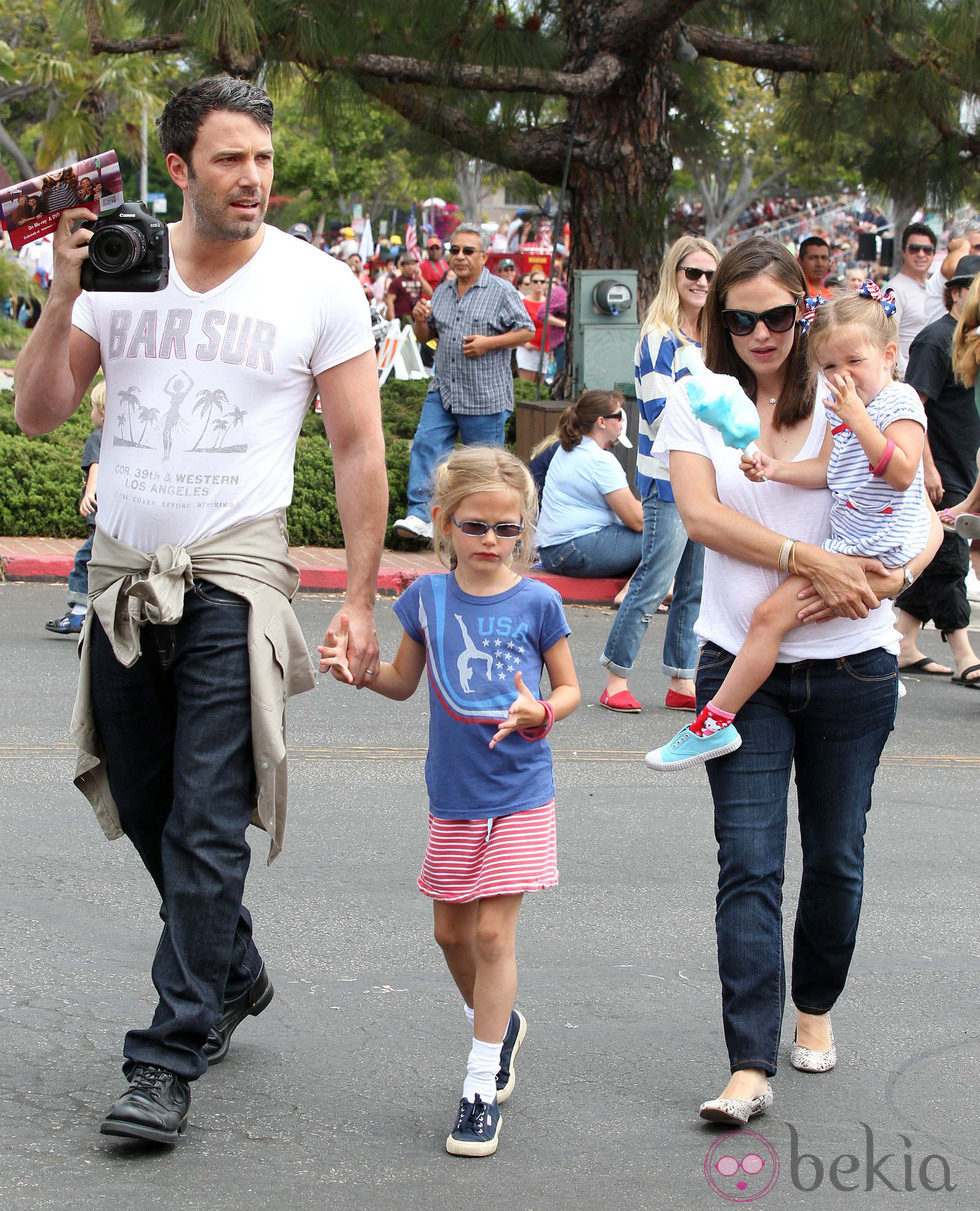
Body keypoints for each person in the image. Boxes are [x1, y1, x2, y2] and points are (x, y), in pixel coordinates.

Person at [13, 75, 388, 1145]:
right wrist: (66, 293)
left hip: (233, 576)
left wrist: (359, 596)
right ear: (177, 169)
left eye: (262, 158)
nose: (253, 178)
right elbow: (40, 415)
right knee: (142, 799)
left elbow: (359, 447)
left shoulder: (317, 284)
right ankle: (232, 966)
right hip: (125, 574)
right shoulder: (121, 274)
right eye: (229, 160)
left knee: (208, 810)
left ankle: (167, 1054)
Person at [651, 237, 940, 1127]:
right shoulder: (699, 404)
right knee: (747, 864)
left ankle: (813, 1002)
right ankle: (746, 1062)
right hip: (740, 661)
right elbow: (700, 515)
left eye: (780, 314)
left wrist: (886, 580)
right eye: (742, 318)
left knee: (838, 858)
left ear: (804, 312)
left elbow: (923, 509)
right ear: (718, 321)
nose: (763, 332)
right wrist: (804, 553)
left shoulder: (855, 394)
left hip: (852, 663)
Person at [319, 446, 580, 1157]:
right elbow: (404, 680)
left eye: (508, 528)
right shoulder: (426, 600)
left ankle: (478, 1081)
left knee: (494, 936)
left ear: (525, 527)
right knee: (451, 936)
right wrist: (359, 674)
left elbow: (569, 688)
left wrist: (542, 714)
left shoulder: (539, 601)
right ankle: (499, 1021)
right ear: (442, 523)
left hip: (521, 791)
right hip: (455, 795)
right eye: (476, 526)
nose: (492, 541)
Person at [648, 285, 930, 768]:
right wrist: (775, 469)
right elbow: (827, 471)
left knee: (767, 618)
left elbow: (904, 473)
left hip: (871, 547)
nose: (842, 377)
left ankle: (713, 722)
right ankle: (719, 717)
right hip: (848, 543)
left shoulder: (895, 402)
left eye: (854, 362)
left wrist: (857, 420)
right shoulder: (840, 409)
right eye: (831, 367)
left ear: (888, 355)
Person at [599, 235, 719, 714]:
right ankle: (615, 676)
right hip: (667, 476)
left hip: (710, 480)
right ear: (674, 275)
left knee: (695, 588)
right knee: (654, 581)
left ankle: (683, 680)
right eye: (693, 273)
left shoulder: (715, 339)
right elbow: (656, 409)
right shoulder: (658, 338)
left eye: (710, 275)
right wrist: (717, 412)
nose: (702, 282)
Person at [391, 225, 533, 543]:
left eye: (468, 251)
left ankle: (485, 527)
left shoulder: (501, 291)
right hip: (444, 390)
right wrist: (420, 319)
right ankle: (421, 516)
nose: (459, 257)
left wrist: (488, 343)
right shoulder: (442, 290)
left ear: (484, 256)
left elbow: (526, 331)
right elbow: (426, 337)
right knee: (427, 446)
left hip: (484, 396)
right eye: (454, 250)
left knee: (484, 468)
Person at [892, 254, 980, 685]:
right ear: (959, 292)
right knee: (950, 559)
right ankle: (965, 653)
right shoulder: (935, 340)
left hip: (965, 466)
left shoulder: (970, 342)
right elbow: (914, 409)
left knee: (935, 559)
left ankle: (902, 639)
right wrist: (925, 468)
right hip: (939, 467)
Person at [535, 390, 642, 578]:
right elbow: (636, 521)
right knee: (667, 532)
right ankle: (640, 589)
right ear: (601, 422)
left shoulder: (567, 449)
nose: (622, 421)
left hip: (551, 552)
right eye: (618, 416)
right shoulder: (600, 460)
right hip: (574, 549)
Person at [45, 382, 105, 636]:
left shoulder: (99, 436)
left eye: (92, 408)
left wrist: (90, 492)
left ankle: (79, 613)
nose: (90, 414)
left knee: (85, 559)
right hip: (115, 516)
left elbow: (97, 465)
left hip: (102, 514)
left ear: (102, 413)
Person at [886, 222, 938, 373]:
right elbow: (887, 338)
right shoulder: (893, 290)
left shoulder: (934, 288)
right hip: (909, 380)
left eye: (927, 250)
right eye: (914, 249)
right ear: (904, 251)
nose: (921, 254)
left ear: (933, 253)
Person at [515, 269, 555, 383]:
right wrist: (524, 342)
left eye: (542, 281)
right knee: (528, 386)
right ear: (531, 283)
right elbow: (515, 326)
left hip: (545, 349)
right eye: (535, 281)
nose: (539, 284)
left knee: (540, 386)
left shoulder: (549, 303)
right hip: (528, 349)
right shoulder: (523, 303)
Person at [385, 249, 431, 324]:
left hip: (416, 318)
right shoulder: (396, 281)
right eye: (407, 264)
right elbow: (390, 301)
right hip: (402, 319)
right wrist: (393, 322)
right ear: (402, 266)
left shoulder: (417, 281)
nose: (410, 267)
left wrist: (420, 276)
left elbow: (429, 292)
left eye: (413, 264)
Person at [797, 235, 833, 300]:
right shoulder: (796, 294)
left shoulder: (829, 296)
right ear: (800, 261)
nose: (820, 264)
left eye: (824, 258)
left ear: (829, 261)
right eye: (813, 258)